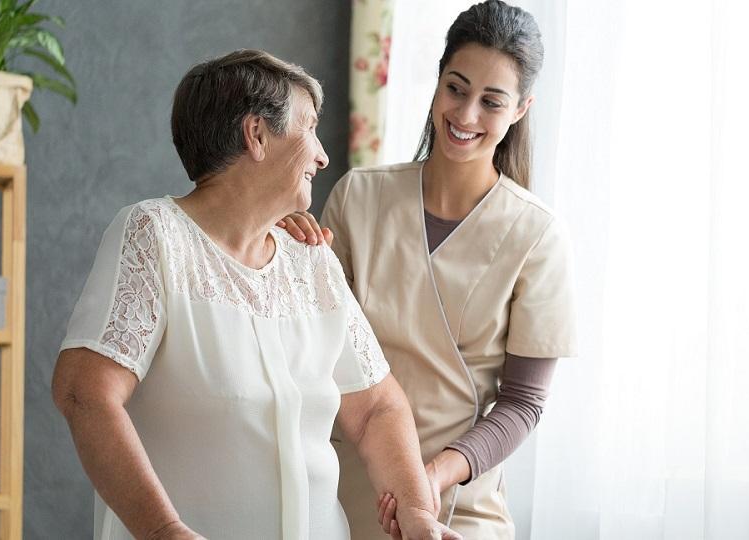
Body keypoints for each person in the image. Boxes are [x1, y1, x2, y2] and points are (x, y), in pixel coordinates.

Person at [52, 49, 459, 540]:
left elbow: (377, 408)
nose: (323, 155)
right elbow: (84, 392)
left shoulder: (311, 258)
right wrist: (164, 531)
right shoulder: (154, 236)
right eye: (309, 128)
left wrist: (416, 509)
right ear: (257, 135)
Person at [281, 2, 577, 537]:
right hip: (344, 493)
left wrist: (431, 475)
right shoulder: (359, 197)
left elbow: (523, 403)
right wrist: (286, 258)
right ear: (438, 82)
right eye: (456, 89)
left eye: (491, 101)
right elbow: (309, 350)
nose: (465, 116)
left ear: (520, 109)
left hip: (460, 502)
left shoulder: (537, 235)